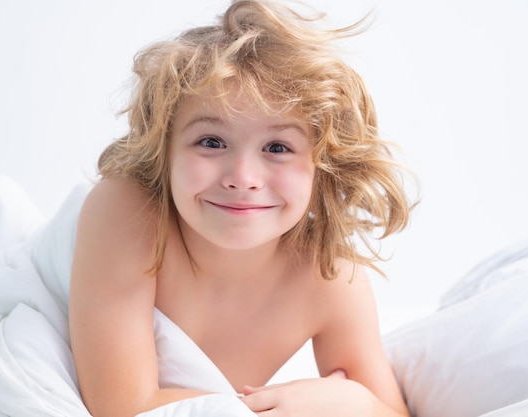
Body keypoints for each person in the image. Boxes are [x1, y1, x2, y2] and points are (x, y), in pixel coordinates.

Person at [69, 1, 414, 416]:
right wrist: (288, 408)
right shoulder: (126, 211)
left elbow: (387, 412)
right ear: (165, 151)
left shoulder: (329, 277)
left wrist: (355, 401)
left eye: (277, 147)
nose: (243, 177)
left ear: (322, 167)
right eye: (212, 142)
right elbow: (123, 407)